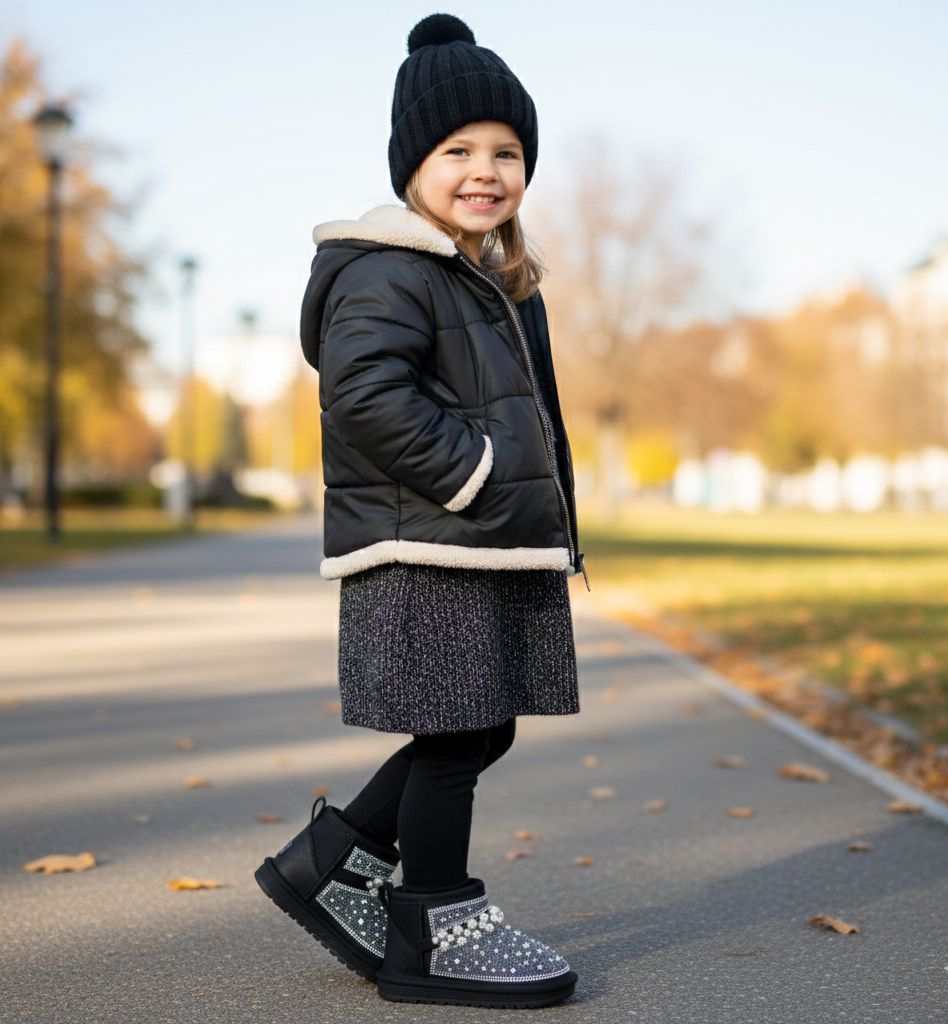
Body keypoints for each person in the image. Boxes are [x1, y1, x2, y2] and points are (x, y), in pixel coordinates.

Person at [255, 13, 583, 1009]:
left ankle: (335, 855)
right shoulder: (391, 266)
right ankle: (431, 927)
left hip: (478, 544)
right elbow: (362, 393)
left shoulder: (488, 278)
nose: (485, 169)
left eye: (507, 152)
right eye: (458, 151)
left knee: (482, 728)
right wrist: (473, 476)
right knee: (455, 734)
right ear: (412, 166)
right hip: (431, 540)